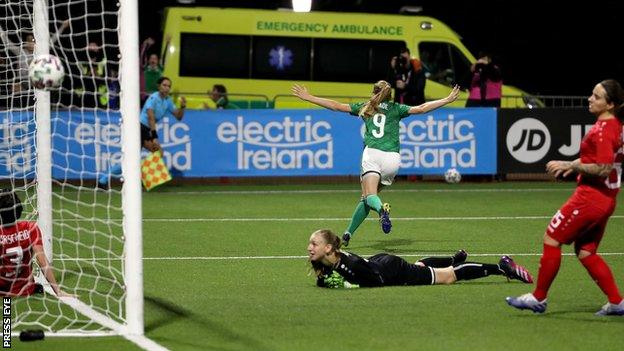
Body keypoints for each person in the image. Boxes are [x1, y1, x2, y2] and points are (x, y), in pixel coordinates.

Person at [506, 79, 624, 316]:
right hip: (606, 199)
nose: (590, 99)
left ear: (610, 104)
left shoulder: (603, 130)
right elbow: (597, 162)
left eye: (597, 96)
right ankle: (617, 302)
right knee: (586, 252)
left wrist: (571, 164)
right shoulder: (614, 126)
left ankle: (538, 298)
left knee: (551, 238)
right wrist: (572, 165)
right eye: (592, 94)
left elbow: (602, 167)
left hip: (590, 198)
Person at [292, 81, 459, 246]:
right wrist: (446, 99)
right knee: (366, 197)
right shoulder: (396, 108)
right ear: (390, 95)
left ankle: (382, 210)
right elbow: (422, 108)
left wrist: (309, 97)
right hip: (392, 159)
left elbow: (336, 106)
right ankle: (348, 233)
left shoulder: (367, 107)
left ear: (374, 93)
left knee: (371, 196)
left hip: (372, 154)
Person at [308, 229, 533, 288]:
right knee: (420, 266)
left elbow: (377, 281)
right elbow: (323, 279)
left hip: (393, 271)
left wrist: (347, 285)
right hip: (382, 262)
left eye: (314, 244)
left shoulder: (349, 264)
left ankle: (502, 267)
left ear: (328, 248)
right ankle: (452, 259)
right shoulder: (327, 260)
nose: (309, 248)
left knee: (447, 278)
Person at [97, 76, 187, 188]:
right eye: (164, 85)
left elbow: (178, 117)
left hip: (146, 130)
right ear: (159, 86)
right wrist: (154, 136)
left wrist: (182, 106)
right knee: (135, 158)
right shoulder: (153, 98)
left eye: (169, 86)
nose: (167, 88)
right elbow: (151, 118)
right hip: (138, 128)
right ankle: (105, 180)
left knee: (154, 153)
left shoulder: (167, 101)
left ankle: (104, 180)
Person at [0, 190, 72, 297]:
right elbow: (42, 260)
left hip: (2, 291)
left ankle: (8, 311)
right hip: (25, 290)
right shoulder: (30, 228)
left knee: (7, 312)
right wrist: (58, 291)